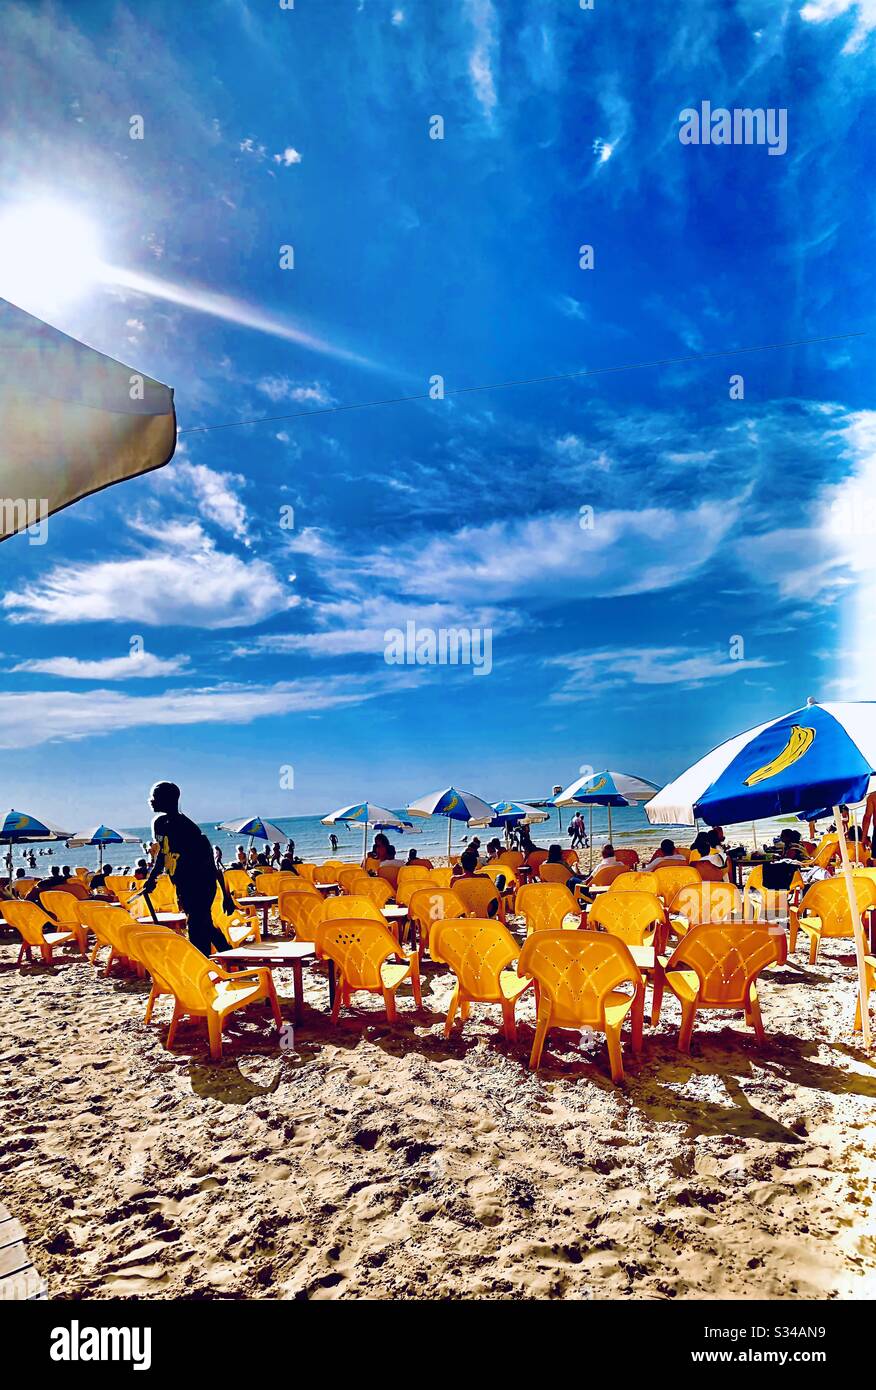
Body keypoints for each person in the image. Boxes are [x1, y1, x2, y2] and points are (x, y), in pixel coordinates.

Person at [142, 781, 234, 957]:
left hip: (200, 883)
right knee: (204, 924)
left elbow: (210, 864)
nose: (150, 800)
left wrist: (226, 896)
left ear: (166, 799)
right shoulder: (160, 823)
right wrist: (152, 878)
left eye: (154, 797)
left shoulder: (187, 828)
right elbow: (163, 852)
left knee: (197, 929)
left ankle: (204, 966)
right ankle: (231, 957)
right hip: (183, 884)